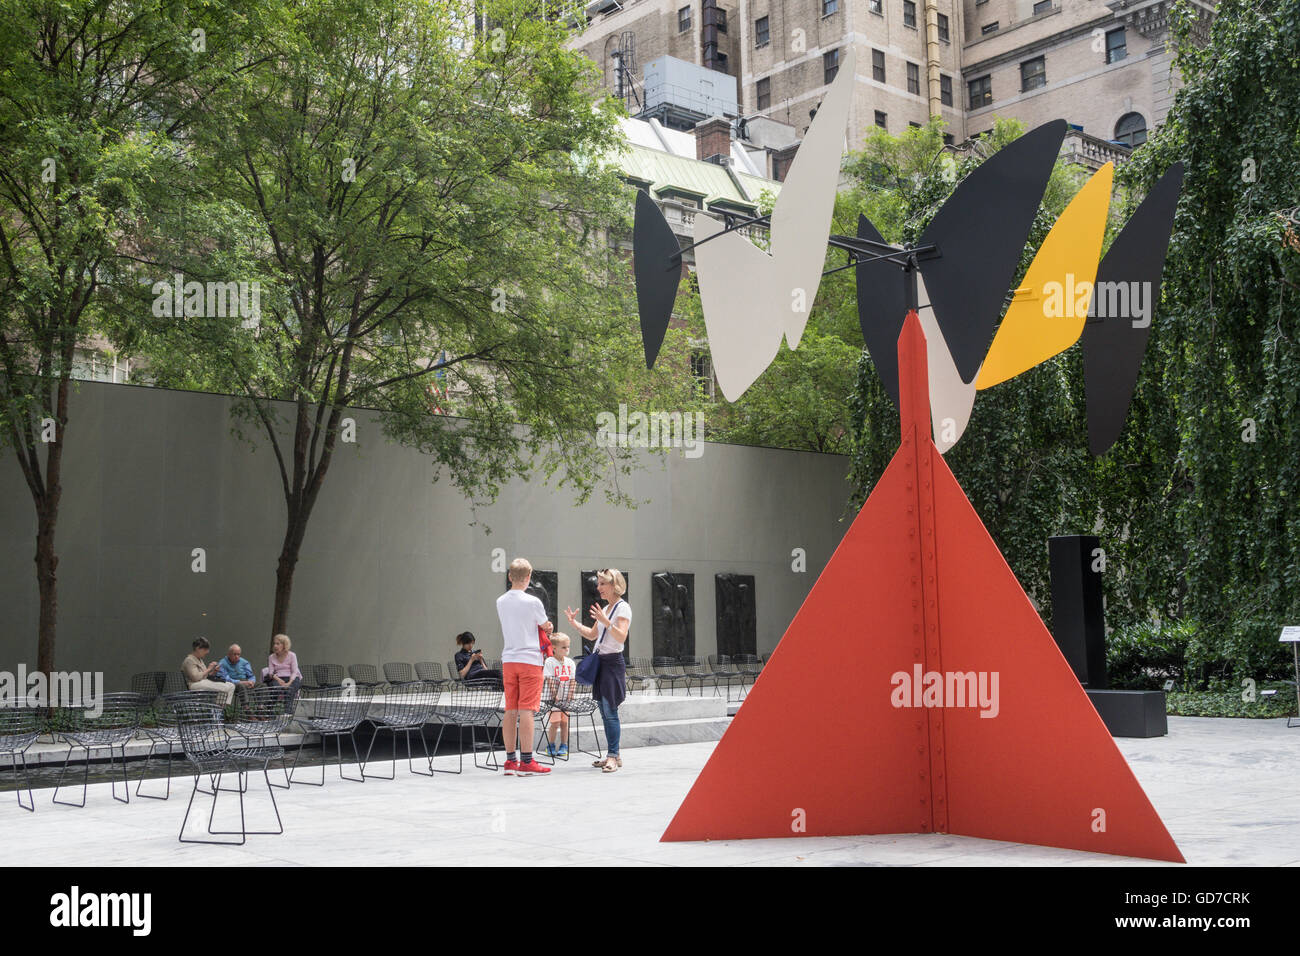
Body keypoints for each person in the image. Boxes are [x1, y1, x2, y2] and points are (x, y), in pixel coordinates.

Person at [565, 568, 631, 773]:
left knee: (610, 712)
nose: (598, 587)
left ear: (614, 585)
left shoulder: (622, 608)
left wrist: (606, 622)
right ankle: (615, 754)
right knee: (604, 712)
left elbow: (621, 637)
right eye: (598, 583)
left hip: (612, 663)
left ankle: (612, 756)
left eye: (602, 583)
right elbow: (593, 635)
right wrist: (574, 623)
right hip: (601, 663)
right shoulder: (607, 608)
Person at [496, 557, 554, 776]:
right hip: (530, 660)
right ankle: (527, 761)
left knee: (511, 709)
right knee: (527, 710)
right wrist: (548, 627)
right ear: (529, 577)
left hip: (509, 659)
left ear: (510, 576)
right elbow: (545, 625)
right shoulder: (533, 602)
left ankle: (510, 761)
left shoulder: (500, 601)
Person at [542, 633, 576, 757]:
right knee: (555, 722)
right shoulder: (550, 661)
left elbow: (572, 679)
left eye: (568, 647)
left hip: (565, 698)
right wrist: (554, 695)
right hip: (553, 699)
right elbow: (550, 679)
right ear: (554, 648)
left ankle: (564, 744)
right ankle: (550, 745)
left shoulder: (570, 662)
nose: (567, 649)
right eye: (563, 647)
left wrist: (570, 694)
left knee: (564, 723)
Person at [181, 637, 235, 707]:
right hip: (194, 684)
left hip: (203, 681)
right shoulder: (189, 660)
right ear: (198, 648)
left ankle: (222, 708)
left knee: (231, 686)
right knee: (224, 688)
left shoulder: (199, 659)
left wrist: (214, 671)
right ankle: (218, 710)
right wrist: (209, 669)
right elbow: (195, 678)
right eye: (205, 649)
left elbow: (206, 676)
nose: (207, 652)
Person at [264, 633, 302, 699]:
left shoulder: (292, 655)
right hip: (278, 678)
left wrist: (289, 683)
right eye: (274, 644)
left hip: (292, 678)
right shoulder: (271, 657)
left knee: (289, 692)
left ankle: (288, 709)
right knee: (275, 690)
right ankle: (270, 708)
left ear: (284, 645)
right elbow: (270, 673)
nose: (275, 646)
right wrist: (279, 680)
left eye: (278, 644)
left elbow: (294, 672)